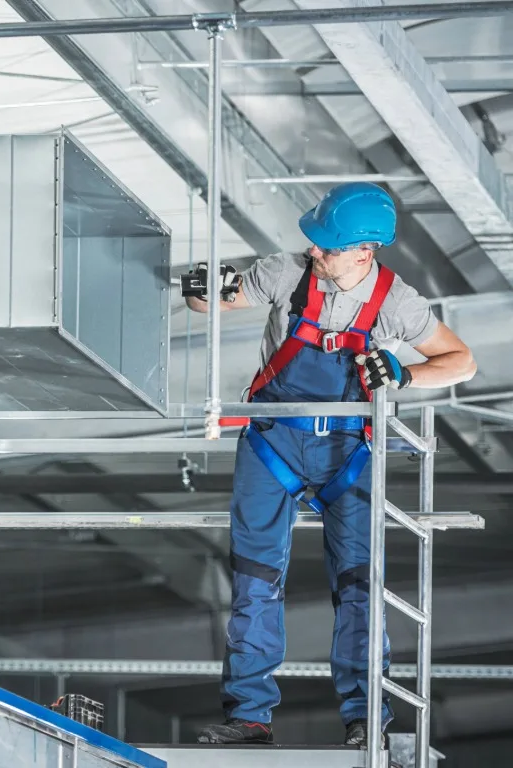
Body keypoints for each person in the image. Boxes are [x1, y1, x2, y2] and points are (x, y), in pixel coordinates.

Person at [186, 182, 477, 748]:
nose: (314, 251)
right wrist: (200, 290)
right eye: (316, 242)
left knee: (360, 586)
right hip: (273, 443)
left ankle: (366, 720)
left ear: (364, 252)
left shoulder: (398, 302)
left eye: (327, 246)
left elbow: (461, 362)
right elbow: (214, 301)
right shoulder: (286, 273)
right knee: (254, 580)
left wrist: (405, 373)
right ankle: (249, 716)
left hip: (351, 454)